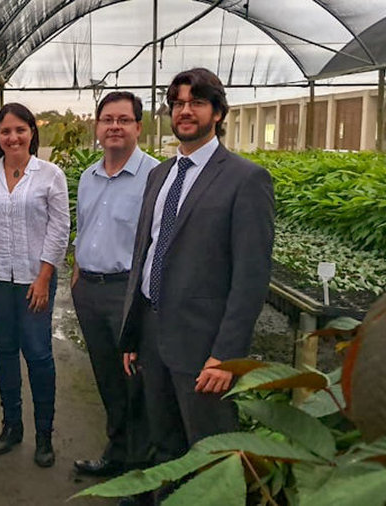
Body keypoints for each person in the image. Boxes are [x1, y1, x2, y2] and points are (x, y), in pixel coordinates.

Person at [119, 68, 274, 474]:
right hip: (153, 333)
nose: (185, 111)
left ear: (218, 113)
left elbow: (251, 277)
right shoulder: (160, 175)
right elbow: (145, 254)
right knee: (164, 444)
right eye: (178, 104)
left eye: (197, 103)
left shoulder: (245, 179)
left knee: (211, 452)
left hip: (202, 343)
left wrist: (225, 356)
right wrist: (134, 330)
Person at [0, 103, 70, 468]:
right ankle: (12, 426)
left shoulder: (50, 174)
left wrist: (44, 278)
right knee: (4, 351)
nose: (13, 137)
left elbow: (59, 229)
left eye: (20, 130)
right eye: (5, 131)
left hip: (33, 280)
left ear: (31, 133)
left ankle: (44, 434)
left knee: (39, 355)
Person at [71, 91, 158, 478]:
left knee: (134, 383)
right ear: (98, 126)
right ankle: (117, 453)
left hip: (128, 293)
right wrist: (76, 276)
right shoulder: (88, 178)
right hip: (89, 290)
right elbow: (84, 231)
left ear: (138, 127)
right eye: (108, 119)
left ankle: (139, 472)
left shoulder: (157, 177)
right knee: (107, 378)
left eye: (123, 120)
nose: (115, 127)